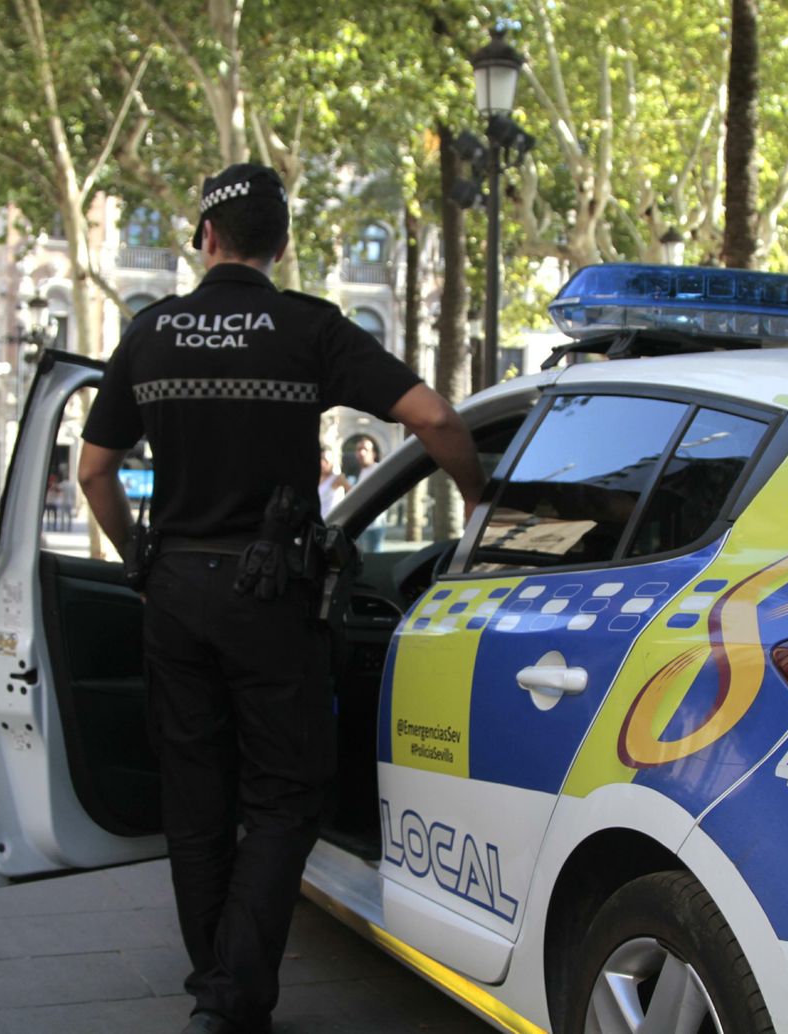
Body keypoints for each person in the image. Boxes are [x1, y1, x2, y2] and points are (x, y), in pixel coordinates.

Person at [77, 163, 485, 1034]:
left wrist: (141, 559)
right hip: (272, 594)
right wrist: (484, 506)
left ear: (205, 238)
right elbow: (439, 420)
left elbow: (93, 472)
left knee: (194, 794)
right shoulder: (308, 329)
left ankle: (218, 989)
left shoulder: (151, 334)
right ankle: (232, 996)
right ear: (281, 244)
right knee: (285, 794)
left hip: (177, 589)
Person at [316, 446, 348, 519]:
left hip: (332, 521)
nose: (323, 464)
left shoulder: (338, 478)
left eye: (326, 461)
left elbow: (354, 493)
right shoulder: (317, 478)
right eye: (321, 459)